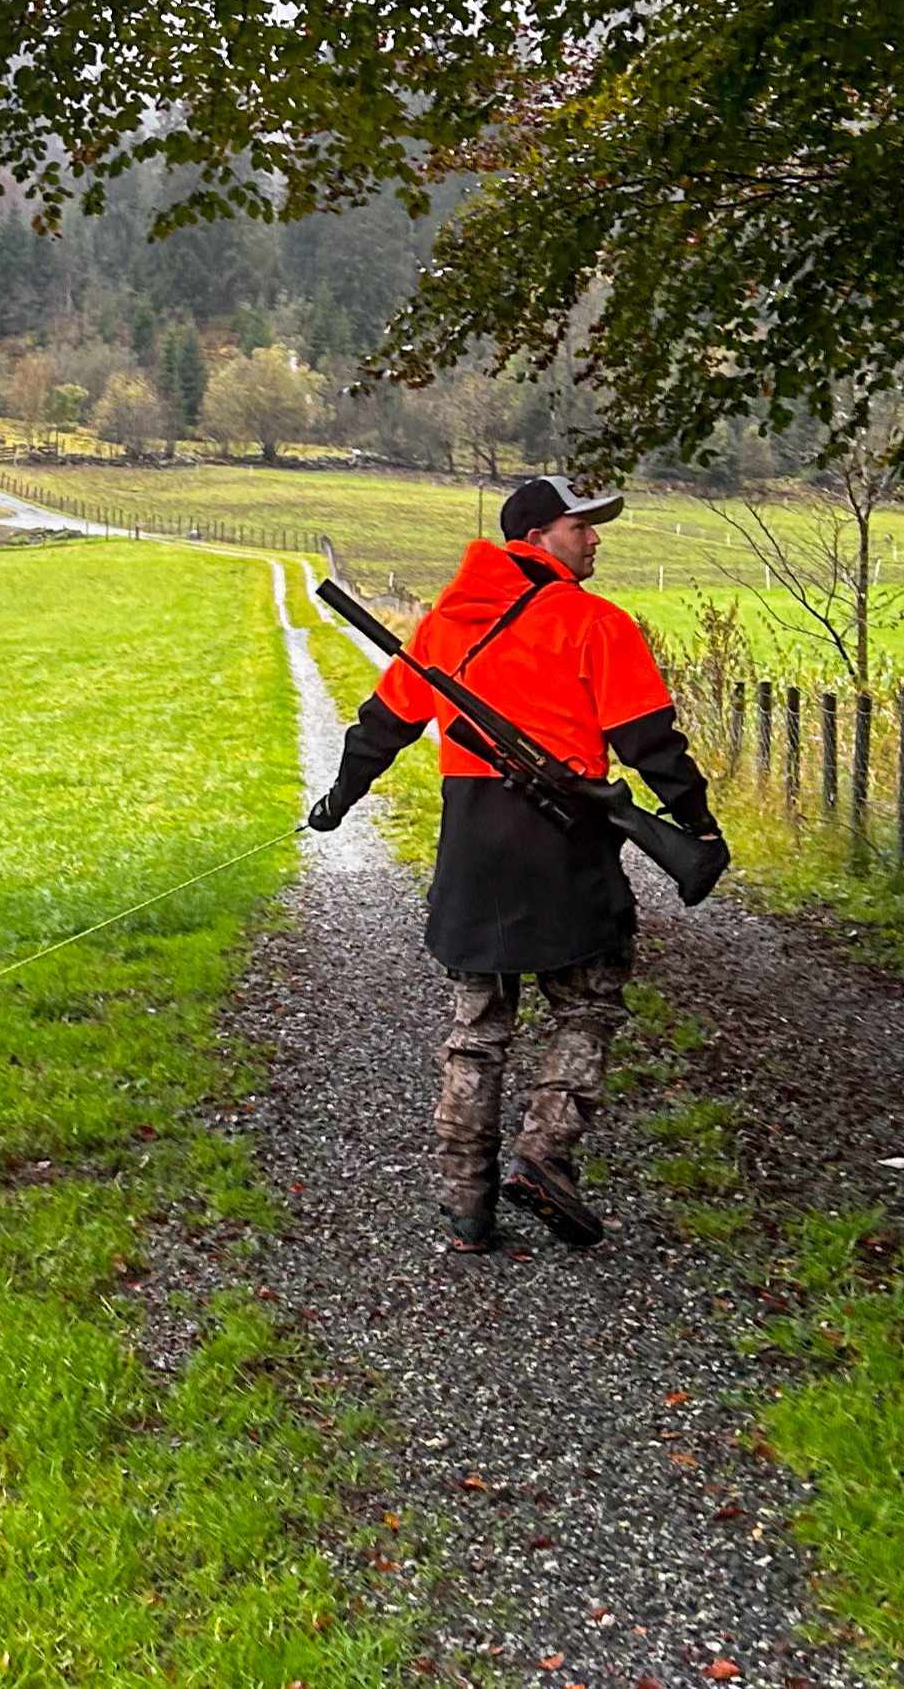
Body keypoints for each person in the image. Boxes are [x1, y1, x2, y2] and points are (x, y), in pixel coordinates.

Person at [306, 476, 721, 1251]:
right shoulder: (596, 623)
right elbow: (649, 743)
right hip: (564, 845)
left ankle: (466, 1203)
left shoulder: (443, 626)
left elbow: (380, 727)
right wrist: (696, 827)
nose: (595, 539)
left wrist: (340, 797)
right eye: (581, 527)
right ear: (537, 536)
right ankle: (544, 1153)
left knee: (477, 1030)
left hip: (472, 845)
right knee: (589, 1006)